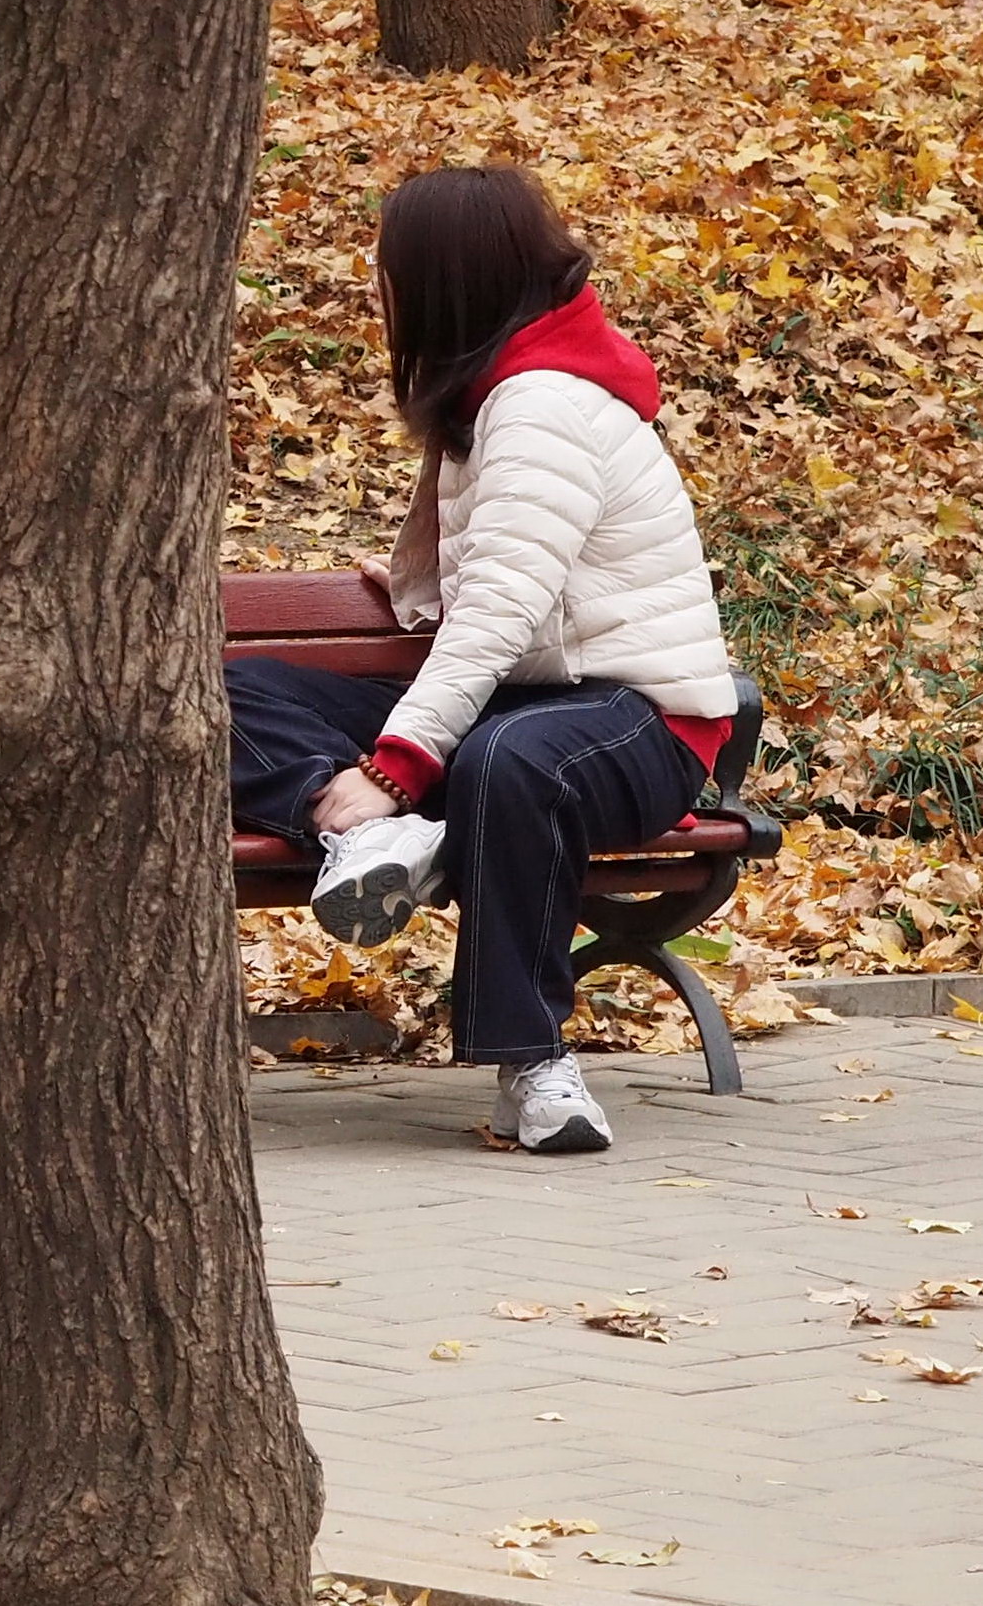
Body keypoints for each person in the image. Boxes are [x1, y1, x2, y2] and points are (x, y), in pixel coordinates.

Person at [224, 167, 735, 1156]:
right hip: (524, 701)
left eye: (389, 271)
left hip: (638, 722)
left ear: (445, 280)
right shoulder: (498, 394)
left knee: (514, 766)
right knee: (231, 689)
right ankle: (360, 838)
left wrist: (397, 768)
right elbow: (497, 579)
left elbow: (503, 609)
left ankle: (535, 1066)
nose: (378, 291)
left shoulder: (540, 401)